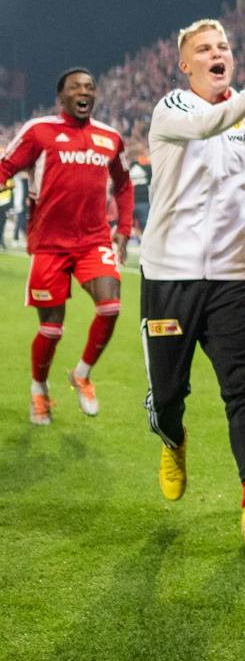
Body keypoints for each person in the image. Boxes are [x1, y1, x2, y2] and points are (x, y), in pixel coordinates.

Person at [141, 21, 245, 549]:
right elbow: (212, 124)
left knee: (243, 390)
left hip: (232, 278)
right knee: (168, 395)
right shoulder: (173, 110)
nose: (218, 54)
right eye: (204, 50)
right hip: (169, 277)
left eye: (224, 48)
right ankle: (172, 435)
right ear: (184, 65)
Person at [0, 68, 133, 425]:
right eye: (75, 87)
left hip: (93, 241)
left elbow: (124, 184)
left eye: (89, 86)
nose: (83, 91)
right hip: (49, 245)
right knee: (52, 328)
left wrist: (124, 227)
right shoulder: (39, 131)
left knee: (110, 307)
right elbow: (5, 167)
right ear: (62, 97)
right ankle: (39, 388)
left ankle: (82, 374)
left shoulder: (109, 137)